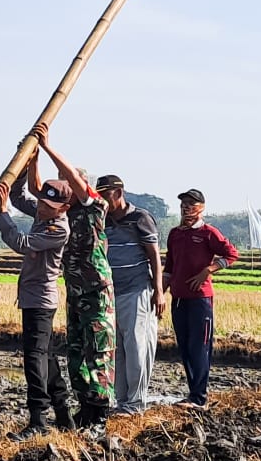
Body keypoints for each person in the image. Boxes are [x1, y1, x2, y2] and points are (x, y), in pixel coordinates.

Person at [35, 131, 115, 435]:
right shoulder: (65, 213)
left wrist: (48, 147)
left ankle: (100, 415)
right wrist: (33, 158)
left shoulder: (95, 206)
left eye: (68, 181)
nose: (63, 186)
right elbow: (38, 190)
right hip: (76, 291)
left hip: (97, 290)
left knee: (99, 350)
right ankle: (85, 409)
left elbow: (73, 178)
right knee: (76, 352)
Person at [0, 145, 74, 438]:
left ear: (64, 208)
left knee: (34, 358)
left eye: (49, 208)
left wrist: (2, 213)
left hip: (41, 299)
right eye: (42, 204)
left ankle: (38, 421)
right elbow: (19, 197)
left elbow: (22, 243)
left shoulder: (58, 228)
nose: (41, 209)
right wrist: (29, 162)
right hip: (32, 297)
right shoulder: (43, 213)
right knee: (46, 355)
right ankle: (64, 414)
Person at [163, 189, 239, 407]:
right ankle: (192, 393)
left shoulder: (208, 233)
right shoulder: (175, 234)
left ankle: (199, 397)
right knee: (185, 347)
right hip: (178, 298)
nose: (186, 207)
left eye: (191, 203)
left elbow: (232, 254)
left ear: (201, 207)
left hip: (200, 299)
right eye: (183, 204)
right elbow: (170, 265)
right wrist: (160, 291)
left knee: (200, 346)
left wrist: (209, 269)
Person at [96, 176, 165, 415]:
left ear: (118, 192)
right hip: (112, 292)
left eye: (106, 194)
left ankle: (136, 403)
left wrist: (159, 291)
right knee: (118, 348)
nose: (103, 199)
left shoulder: (140, 218)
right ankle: (122, 400)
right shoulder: (102, 220)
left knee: (137, 346)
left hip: (137, 289)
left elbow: (154, 256)